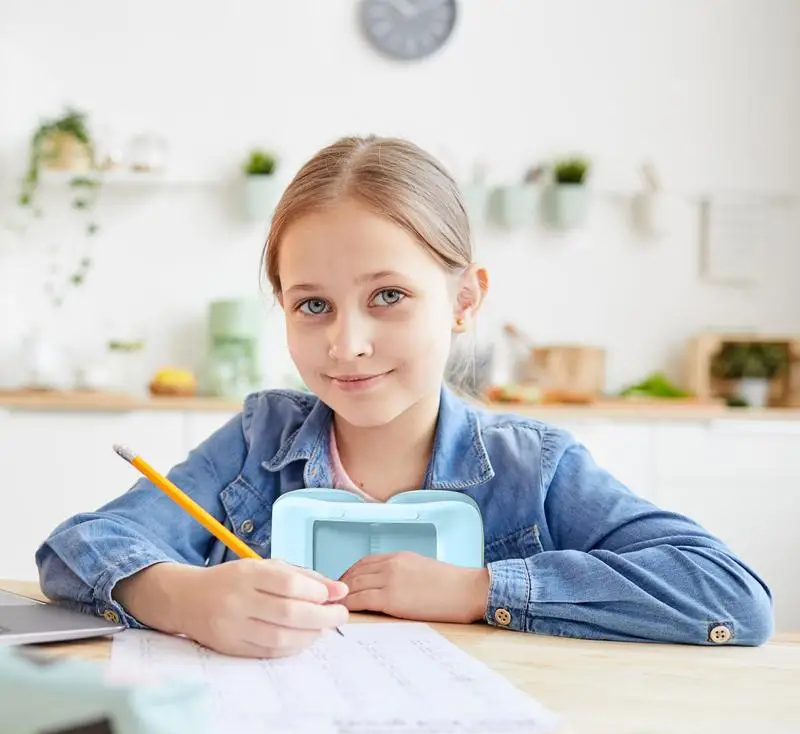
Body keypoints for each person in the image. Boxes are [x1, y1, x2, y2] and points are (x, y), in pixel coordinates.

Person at [36, 135, 773, 658]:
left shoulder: (532, 466)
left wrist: (479, 590)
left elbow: (729, 596)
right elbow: (76, 550)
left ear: (462, 300)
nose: (345, 344)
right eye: (312, 305)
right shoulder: (259, 441)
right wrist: (183, 598)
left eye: (387, 295)